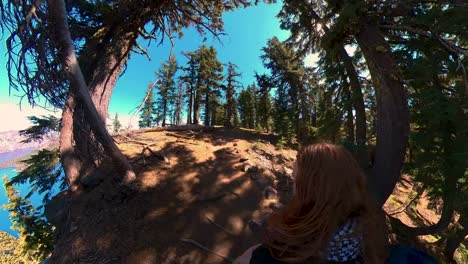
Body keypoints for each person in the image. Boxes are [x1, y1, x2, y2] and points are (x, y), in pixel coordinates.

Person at [234, 143, 387, 264]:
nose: (293, 189)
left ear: (313, 191)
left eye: (296, 181)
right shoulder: (369, 244)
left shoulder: (272, 255)